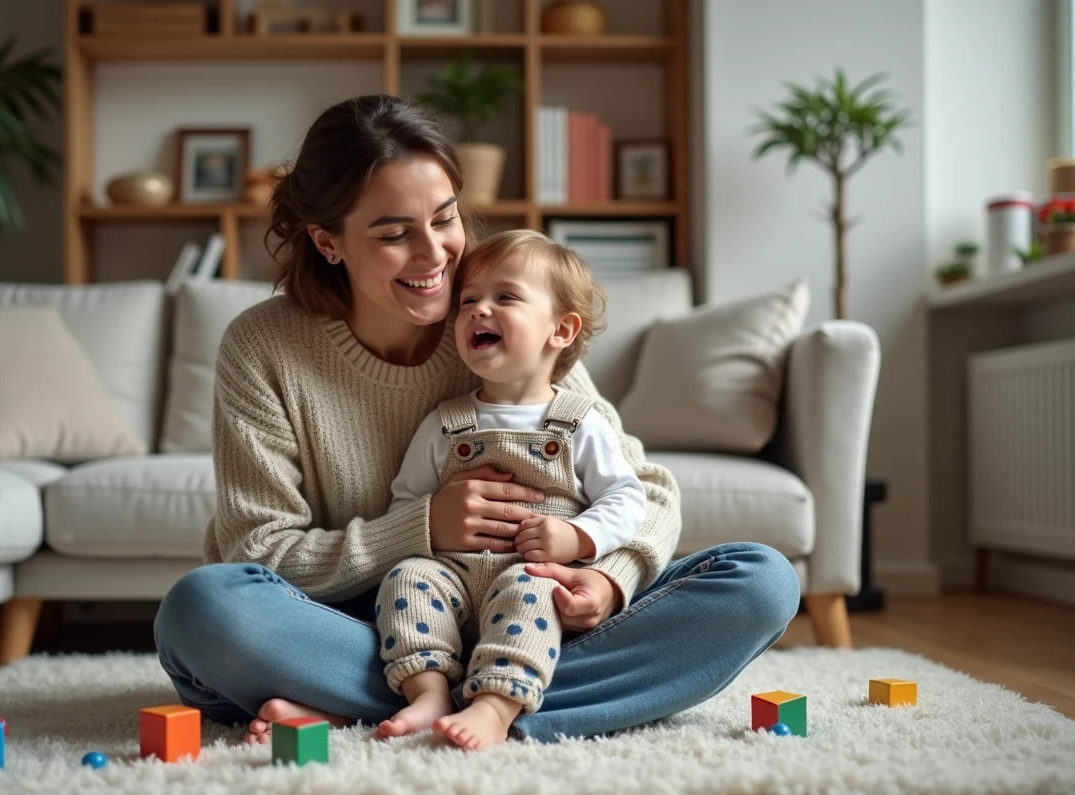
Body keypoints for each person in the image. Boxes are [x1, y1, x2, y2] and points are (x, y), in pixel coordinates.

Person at [152, 93, 801, 748]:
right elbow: (256, 552)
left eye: (445, 218)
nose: (435, 254)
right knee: (203, 610)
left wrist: (610, 579)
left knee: (762, 581)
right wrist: (419, 528)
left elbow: (645, 491)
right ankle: (494, 700)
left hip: (529, 612)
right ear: (328, 242)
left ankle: (409, 703)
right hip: (360, 623)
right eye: (393, 234)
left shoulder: (499, 314)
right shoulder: (263, 347)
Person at [375, 230, 647, 750]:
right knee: (406, 577)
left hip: (532, 583)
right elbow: (405, 506)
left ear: (561, 330)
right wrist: (430, 520)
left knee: (534, 589)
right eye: (468, 300)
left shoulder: (580, 421)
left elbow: (628, 497)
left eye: (505, 297)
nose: (479, 310)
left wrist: (577, 537)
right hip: (451, 582)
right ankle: (428, 691)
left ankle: (496, 707)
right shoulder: (444, 423)